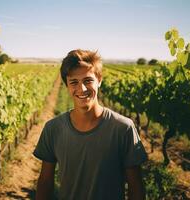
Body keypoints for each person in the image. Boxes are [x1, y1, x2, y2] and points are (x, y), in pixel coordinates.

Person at [33, 49, 147, 200]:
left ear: (99, 80)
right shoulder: (52, 129)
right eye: (74, 82)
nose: (82, 88)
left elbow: (136, 187)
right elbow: (45, 183)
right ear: (66, 85)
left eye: (88, 80)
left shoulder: (123, 128)